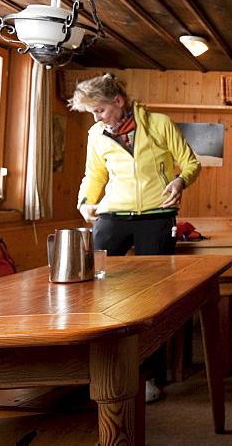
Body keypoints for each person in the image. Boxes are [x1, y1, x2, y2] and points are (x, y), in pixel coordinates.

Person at [69, 73, 201, 400]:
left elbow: (190, 163)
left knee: (153, 297)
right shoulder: (97, 134)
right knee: (92, 289)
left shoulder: (158, 124)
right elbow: (94, 174)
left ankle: (146, 375)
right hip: (114, 215)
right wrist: (85, 202)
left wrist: (180, 182)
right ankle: (96, 368)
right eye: (91, 113)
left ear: (118, 101)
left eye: (99, 110)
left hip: (156, 216)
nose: (96, 118)